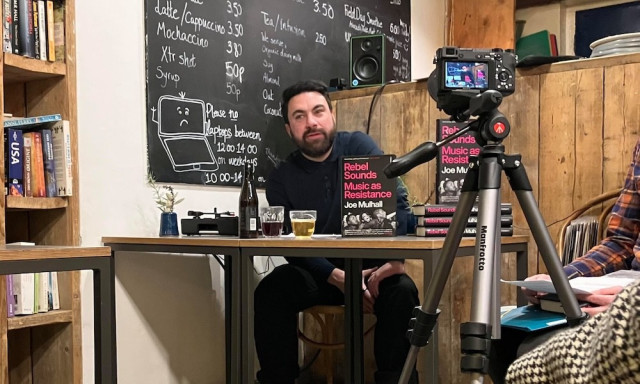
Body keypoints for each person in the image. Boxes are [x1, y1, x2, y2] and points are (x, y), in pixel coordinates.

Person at [254, 80, 420, 384]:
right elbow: (290, 244)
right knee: (272, 289)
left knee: (403, 292)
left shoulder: (359, 146)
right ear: (289, 129)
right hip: (318, 274)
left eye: (318, 111)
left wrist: (395, 261)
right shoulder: (281, 178)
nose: (311, 122)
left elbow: (397, 202)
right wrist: (338, 278)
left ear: (332, 116)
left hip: (372, 270)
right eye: (299, 116)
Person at [490, 137, 640, 383]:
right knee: (499, 336)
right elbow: (620, 242)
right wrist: (560, 279)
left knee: (535, 349)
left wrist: (631, 301)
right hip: (618, 288)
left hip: (630, 302)